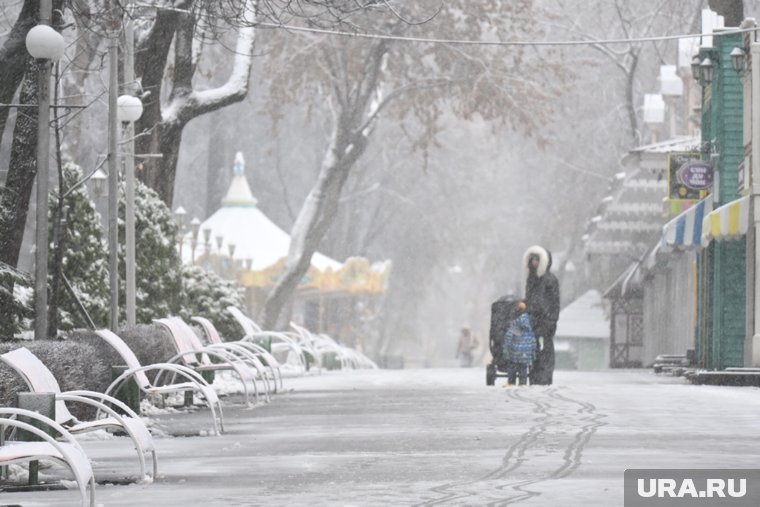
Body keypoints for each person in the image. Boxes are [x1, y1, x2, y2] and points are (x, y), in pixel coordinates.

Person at [523, 245, 560, 385]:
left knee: (546, 350)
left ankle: (545, 377)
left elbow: (555, 303)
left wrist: (551, 320)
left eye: (537, 259)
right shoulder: (531, 279)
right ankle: (534, 376)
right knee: (534, 350)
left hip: (546, 322)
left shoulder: (550, 280)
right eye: (532, 258)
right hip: (533, 321)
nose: (534, 262)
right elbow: (529, 300)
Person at [503, 301, 536, 386]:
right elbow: (533, 343)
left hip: (515, 353)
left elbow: (508, 338)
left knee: (512, 368)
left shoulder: (515, 326)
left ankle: (511, 383)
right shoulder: (529, 329)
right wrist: (532, 355)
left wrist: (506, 350)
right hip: (525, 354)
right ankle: (522, 383)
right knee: (523, 369)